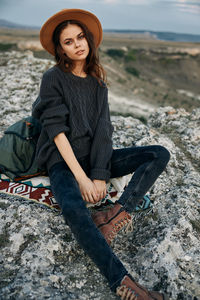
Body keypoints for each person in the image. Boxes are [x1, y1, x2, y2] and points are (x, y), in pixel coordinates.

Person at [32, 8, 170, 300]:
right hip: (62, 161)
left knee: (158, 154)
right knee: (73, 209)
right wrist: (83, 178)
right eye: (68, 41)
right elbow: (57, 133)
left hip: (94, 160)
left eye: (80, 37)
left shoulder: (97, 83)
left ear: (89, 40)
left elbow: (103, 135)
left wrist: (100, 175)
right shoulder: (53, 78)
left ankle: (114, 214)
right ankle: (123, 283)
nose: (77, 44)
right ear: (60, 49)